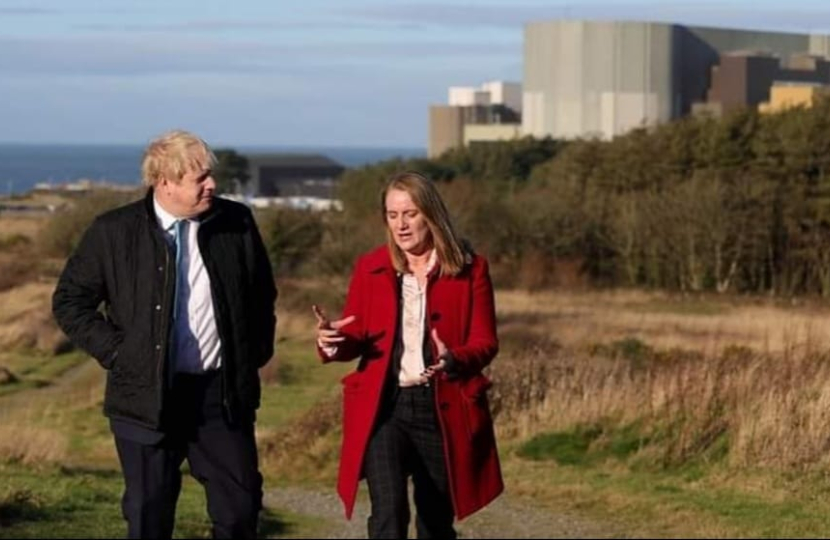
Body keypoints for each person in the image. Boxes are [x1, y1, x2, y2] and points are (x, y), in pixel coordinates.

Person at [52, 129, 277, 539]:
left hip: (219, 396)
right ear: (165, 182)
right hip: (144, 397)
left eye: (211, 175)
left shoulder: (237, 222)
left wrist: (253, 352)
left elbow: (262, 294)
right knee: (148, 516)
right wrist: (120, 354)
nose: (212, 185)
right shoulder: (112, 231)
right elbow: (70, 301)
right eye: (200, 179)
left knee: (240, 510)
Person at [313, 171, 503, 538]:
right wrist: (333, 340)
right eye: (392, 215)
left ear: (430, 214)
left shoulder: (470, 269)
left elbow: (485, 341)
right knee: (388, 513)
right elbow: (357, 337)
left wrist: (455, 359)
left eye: (410, 214)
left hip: (441, 408)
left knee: (434, 522)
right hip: (385, 409)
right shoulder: (369, 266)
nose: (401, 225)